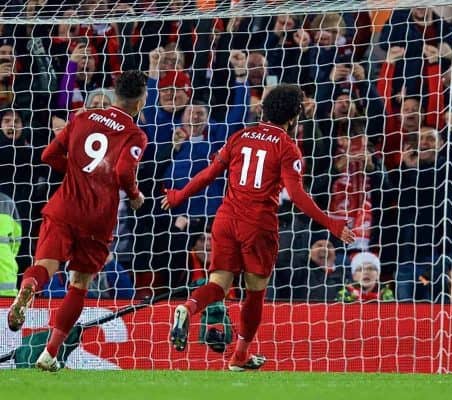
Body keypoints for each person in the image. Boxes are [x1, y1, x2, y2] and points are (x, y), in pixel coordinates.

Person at [161, 84, 355, 371]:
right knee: (255, 293)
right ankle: (240, 355)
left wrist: (178, 196)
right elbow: (298, 196)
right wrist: (332, 224)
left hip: (225, 220)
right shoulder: (288, 147)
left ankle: (187, 308)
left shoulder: (239, 136)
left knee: (217, 285)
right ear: (293, 116)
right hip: (258, 224)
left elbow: (208, 174)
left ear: (264, 108)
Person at [6, 70, 148, 372]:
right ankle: (51, 353)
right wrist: (135, 195)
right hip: (98, 218)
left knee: (45, 265)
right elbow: (123, 172)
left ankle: (28, 288)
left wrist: (73, 170)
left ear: (114, 95)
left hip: (65, 206)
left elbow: (47, 155)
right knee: (79, 285)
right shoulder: (134, 134)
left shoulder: (82, 118)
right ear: (140, 102)